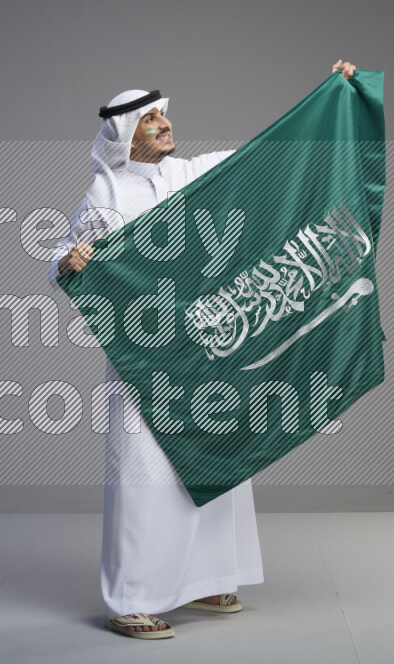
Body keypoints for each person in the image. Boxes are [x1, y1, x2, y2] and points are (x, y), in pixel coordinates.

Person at [47, 60, 357, 639]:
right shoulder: (106, 193)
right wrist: (71, 260)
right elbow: (66, 256)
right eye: (151, 119)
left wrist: (329, 95)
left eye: (164, 115)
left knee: (217, 453)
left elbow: (267, 159)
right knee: (144, 470)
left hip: (205, 347)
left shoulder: (191, 174)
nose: (164, 125)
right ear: (125, 132)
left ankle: (214, 580)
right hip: (144, 354)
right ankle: (131, 599)